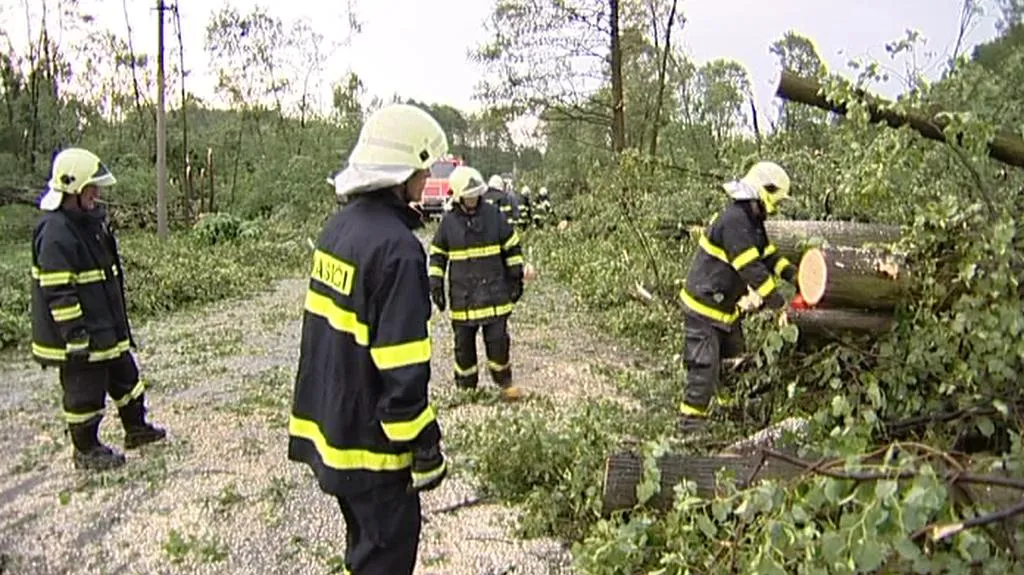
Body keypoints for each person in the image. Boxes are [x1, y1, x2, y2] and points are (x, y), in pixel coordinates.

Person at [288, 104, 449, 575]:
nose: (425, 181)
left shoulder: (338, 230)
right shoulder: (397, 250)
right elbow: (401, 367)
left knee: (362, 550)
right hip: (374, 450)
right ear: (401, 174)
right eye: (422, 170)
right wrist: (423, 443)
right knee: (385, 556)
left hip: (334, 430)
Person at [31, 148, 166, 471]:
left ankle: (136, 428)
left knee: (126, 378)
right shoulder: (55, 232)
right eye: (91, 188)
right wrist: (75, 336)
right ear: (73, 188)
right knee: (84, 392)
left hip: (105, 326)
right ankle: (86, 449)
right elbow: (58, 292)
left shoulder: (88, 224)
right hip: (80, 335)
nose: (97, 194)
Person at [677, 161, 798, 434]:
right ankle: (688, 430)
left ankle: (729, 415)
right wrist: (778, 304)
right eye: (777, 200)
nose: (777, 208)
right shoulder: (734, 221)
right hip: (703, 310)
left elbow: (767, 256)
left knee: (734, 365)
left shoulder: (753, 222)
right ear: (764, 190)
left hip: (726, 311)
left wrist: (795, 276)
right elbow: (750, 267)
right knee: (704, 369)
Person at [428, 166, 525, 401]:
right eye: (468, 195)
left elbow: (511, 246)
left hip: (495, 297)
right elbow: (437, 254)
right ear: (459, 196)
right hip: (464, 299)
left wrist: (515, 276)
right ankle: (466, 389)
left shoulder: (494, 216)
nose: (472, 199)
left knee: (498, 343)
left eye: (475, 194)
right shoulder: (449, 223)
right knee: (463, 347)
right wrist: (436, 283)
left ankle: (504, 383)